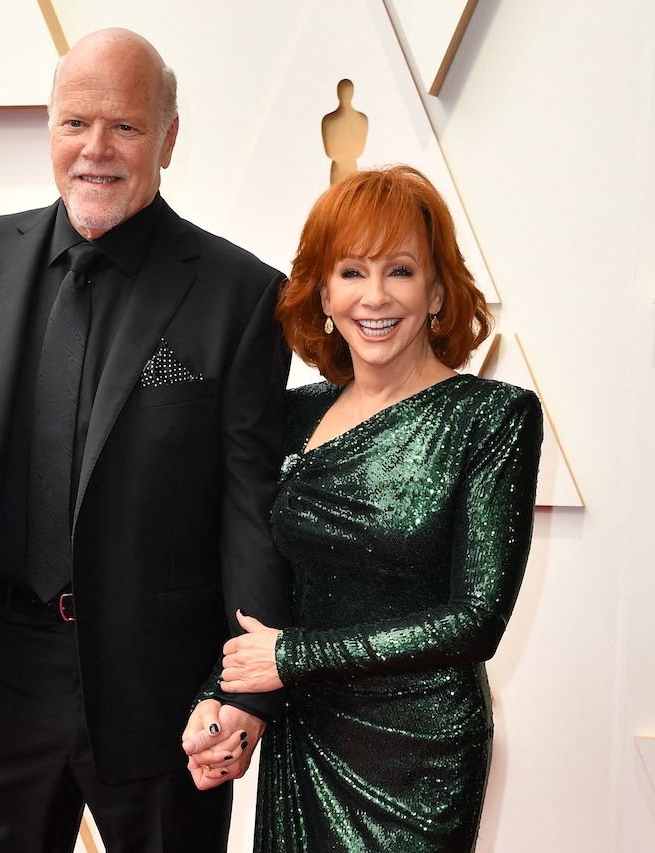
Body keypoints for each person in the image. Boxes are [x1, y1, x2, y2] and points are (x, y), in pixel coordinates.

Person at [0, 28, 290, 852]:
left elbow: (250, 512)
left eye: (125, 127)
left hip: (162, 696)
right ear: (50, 129)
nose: (96, 150)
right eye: (74, 124)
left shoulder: (241, 296)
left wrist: (245, 689)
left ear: (167, 137)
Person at [219, 165, 543, 851]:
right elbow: (266, 584)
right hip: (305, 733)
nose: (375, 296)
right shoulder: (290, 417)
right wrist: (219, 699)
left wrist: (293, 656)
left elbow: (476, 619)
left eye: (400, 270)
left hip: (420, 752)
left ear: (435, 292)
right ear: (324, 293)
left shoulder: (493, 416)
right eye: (351, 272)